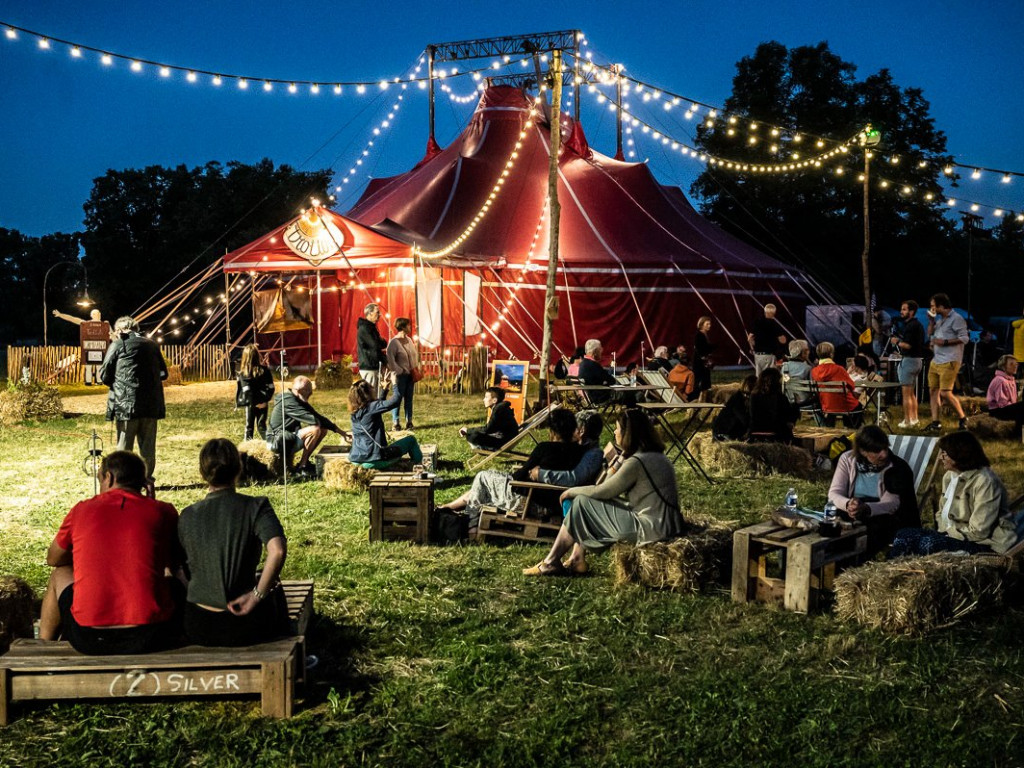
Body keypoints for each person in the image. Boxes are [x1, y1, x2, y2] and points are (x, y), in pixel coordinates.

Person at [38, 451, 180, 654]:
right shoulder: (163, 511)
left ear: (109, 477)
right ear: (143, 481)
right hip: (150, 635)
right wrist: (152, 501)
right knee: (168, 573)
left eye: (100, 479)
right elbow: (171, 560)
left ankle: (44, 646)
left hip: (90, 637)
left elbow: (54, 559)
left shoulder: (81, 510)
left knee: (59, 573)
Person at [524, 409, 684, 576]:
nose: (614, 432)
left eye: (617, 429)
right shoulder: (655, 455)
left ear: (628, 433)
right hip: (667, 523)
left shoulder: (636, 462)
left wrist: (570, 491)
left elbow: (603, 490)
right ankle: (575, 558)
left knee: (580, 502)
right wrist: (620, 459)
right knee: (583, 502)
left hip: (651, 529)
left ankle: (552, 562)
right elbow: (607, 488)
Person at [178, 439, 290, 646]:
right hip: (243, 622)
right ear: (239, 468)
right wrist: (256, 595)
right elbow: (278, 552)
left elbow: (178, 570)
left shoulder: (186, 515)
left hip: (198, 624)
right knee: (274, 584)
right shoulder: (256, 506)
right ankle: (292, 646)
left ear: (202, 472)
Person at [890, 431, 1023, 557]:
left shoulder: (985, 481)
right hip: (951, 536)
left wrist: (946, 535)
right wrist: (943, 533)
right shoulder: (949, 476)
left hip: (983, 543)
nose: (941, 457)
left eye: (945, 454)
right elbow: (941, 512)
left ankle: (898, 572)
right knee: (903, 534)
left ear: (960, 455)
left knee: (927, 543)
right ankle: (893, 572)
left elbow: (979, 531)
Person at [438, 409, 583, 523]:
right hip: (552, 502)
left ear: (552, 431)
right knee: (489, 478)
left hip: (531, 501)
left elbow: (518, 477)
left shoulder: (545, 448)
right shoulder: (578, 451)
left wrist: (525, 473)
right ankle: (449, 507)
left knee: (483, 477)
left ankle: (470, 520)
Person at [827, 426, 919, 557]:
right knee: (830, 524)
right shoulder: (847, 459)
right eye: (877, 451)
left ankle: (852, 564)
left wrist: (867, 509)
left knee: (865, 533)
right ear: (863, 451)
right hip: (852, 510)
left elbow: (892, 503)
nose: (884, 454)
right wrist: (848, 504)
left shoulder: (897, 468)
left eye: (885, 448)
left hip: (882, 515)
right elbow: (834, 492)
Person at [99, 315, 168, 483]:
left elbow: (104, 373)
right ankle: (147, 479)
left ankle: (124, 480)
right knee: (148, 447)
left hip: (126, 404)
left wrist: (117, 383)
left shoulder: (118, 344)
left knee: (124, 447)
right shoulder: (151, 345)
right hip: (150, 405)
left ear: (121, 330)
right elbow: (164, 373)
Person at [266, 375, 349, 477]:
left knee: (323, 429)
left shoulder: (296, 397)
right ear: (300, 390)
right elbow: (313, 419)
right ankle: (302, 467)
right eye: (308, 392)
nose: (310, 394)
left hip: (287, 438)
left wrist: (341, 432)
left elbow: (317, 416)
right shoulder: (288, 401)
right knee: (315, 430)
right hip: (278, 441)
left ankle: (304, 463)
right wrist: (319, 421)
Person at [347, 379, 423, 469]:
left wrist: (384, 390)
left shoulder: (354, 413)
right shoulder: (371, 407)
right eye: (371, 387)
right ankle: (420, 467)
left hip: (355, 461)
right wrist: (395, 383)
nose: (373, 388)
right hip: (374, 461)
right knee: (411, 440)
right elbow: (396, 401)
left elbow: (377, 408)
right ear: (367, 393)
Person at [924, 293, 970, 432]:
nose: (931, 309)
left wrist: (944, 342)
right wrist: (931, 322)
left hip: (950, 360)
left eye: (933, 306)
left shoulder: (956, 319)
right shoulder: (939, 320)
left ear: (941, 306)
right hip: (936, 359)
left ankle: (963, 418)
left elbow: (964, 338)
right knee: (933, 390)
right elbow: (930, 334)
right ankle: (935, 422)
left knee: (945, 392)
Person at [529, 411, 606, 490]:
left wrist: (541, 474)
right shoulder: (582, 448)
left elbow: (574, 478)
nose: (570, 431)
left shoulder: (593, 454)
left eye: (573, 427)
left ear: (581, 431)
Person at [811, 341, 863, 427]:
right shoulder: (839, 369)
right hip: (845, 405)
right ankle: (850, 430)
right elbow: (852, 386)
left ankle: (830, 428)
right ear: (831, 354)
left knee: (834, 405)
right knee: (858, 406)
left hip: (826, 405)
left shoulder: (814, 371)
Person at [52, 307, 109, 385]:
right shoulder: (86, 324)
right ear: (91, 315)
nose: (98, 315)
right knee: (88, 365)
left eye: (99, 313)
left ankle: (99, 381)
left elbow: (112, 334)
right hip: (89, 347)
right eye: (96, 313)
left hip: (100, 347)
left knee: (99, 365)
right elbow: (73, 319)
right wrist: (60, 315)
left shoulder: (105, 325)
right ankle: (88, 381)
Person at [892, 299, 926, 428]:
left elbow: (908, 345)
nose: (901, 312)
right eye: (901, 309)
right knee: (911, 393)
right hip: (917, 360)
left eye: (904, 309)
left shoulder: (911, 326)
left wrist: (896, 342)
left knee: (906, 394)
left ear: (911, 311)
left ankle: (907, 421)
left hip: (910, 361)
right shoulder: (918, 325)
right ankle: (914, 419)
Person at [747, 368, 799, 443]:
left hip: (755, 432)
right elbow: (788, 417)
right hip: (776, 433)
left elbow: (752, 416)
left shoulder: (753, 396)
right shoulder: (779, 397)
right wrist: (796, 405)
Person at [235, 344, 275, 441]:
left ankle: (246, 451)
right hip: (262, 403)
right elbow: (271, 388)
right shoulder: (265, 371)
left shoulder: (244, 374)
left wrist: (255, 403)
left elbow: (247, 392)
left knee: (249, 427)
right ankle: (272, 445)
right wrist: (264, 401)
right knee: (262, 426)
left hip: (251, 404)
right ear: (257, 356)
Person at [386, 317, 418, 431]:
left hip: (410, 375)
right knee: (397, 399)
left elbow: (413, 355)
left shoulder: (409, 340)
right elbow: (390, 359)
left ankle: (409, 421)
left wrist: (414, 367)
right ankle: (396, 422)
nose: (410, 327)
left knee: (409, 398)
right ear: (403, 327)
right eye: (408, 325)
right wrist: (399, 370)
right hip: (400, 376)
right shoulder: (394, 342)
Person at [747, 303, 788, 377]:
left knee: (759, 377)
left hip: (758, 355)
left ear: (765, 312)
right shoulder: (774, 325)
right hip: (769, 355)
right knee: (770, 377)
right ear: (774, 313)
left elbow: (750, 338)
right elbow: (783, 341)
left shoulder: (757, 322)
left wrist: (753, 348)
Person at [712, 375, 757, 441]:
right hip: (724, 432)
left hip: (732, 428)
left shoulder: (743, 397)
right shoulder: (737, 399)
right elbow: (744, 419)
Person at [356, 303, 388, 396]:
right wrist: (381, 341)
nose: (380, 315)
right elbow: (375, 345)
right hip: (368, 366)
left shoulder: (371, 327)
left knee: (375, 394)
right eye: (377, 312)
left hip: (373, 365)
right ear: (369, 313)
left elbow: (381, 344)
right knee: (371, 396)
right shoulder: (365, 328)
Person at [986, 355, 1024, 431]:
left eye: (1016, 364)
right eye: (1011, 364)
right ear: (1003, 366)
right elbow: (1002, 403)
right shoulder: (1000, 380)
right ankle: (1016, 433)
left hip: (1006, 408)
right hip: (997, 411)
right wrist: (1017, 407)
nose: (1015, 366)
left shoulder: (1011, 379)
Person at [578, 338, 617, 404]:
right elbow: (612, 380)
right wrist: (612, 370)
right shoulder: (593, 365)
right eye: (600, 350)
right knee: (627, 394)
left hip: (590, 397)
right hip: (599, 397)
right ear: (595, 351)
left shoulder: (583, 363)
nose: (601, 352)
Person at [781, 339, 813, 405]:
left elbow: (786, 383)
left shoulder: (785, 367)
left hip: (789, 400)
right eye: (807, 350)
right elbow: (812, 388)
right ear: (803, 353)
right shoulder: (808, 368)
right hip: (805, 401)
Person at [693, 316, 716, 396]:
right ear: (702, 324)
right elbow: (700, 348)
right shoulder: (699, 335)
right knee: (700, 380)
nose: (709, 325)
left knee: (705, 380)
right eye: (707, 324)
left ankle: (704, 396)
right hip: (700, 362)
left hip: (703, 362)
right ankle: (698, 396)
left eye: (710, 324)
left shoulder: (704, 334)